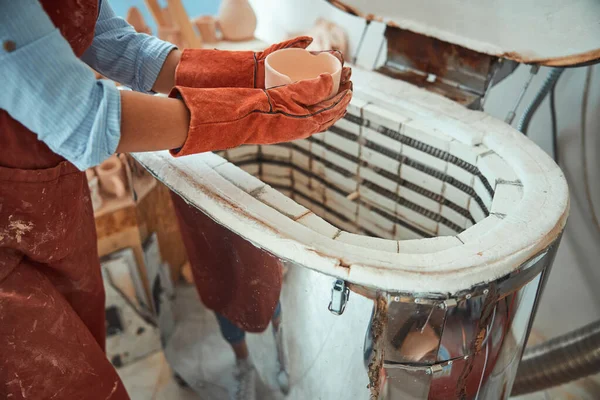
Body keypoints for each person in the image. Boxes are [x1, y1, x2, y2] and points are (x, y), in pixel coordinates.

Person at [0, 1, 352, 399]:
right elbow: (86, 121)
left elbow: (119, 46)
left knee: (82, 336)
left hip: (49, 191)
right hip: (6, 227)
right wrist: (258, 114)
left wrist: (252, 73)